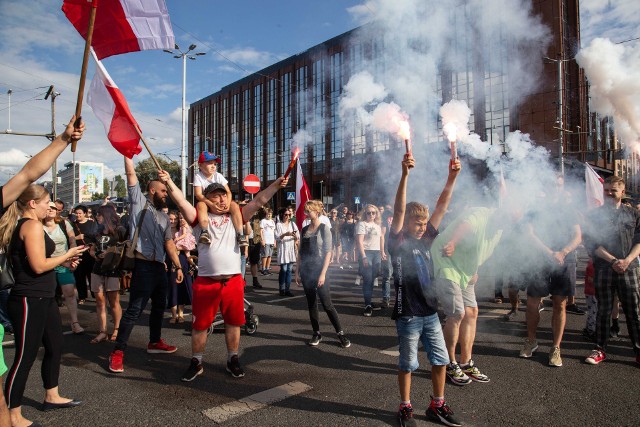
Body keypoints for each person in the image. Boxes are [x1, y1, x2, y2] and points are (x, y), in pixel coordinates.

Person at [157, 170, 288, 382]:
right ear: (207, 200)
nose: (221, 199)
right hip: (207, 281)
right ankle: (196, 361)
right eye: (216, 196)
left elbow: (261, 199)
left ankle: (232, 359)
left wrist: (277, 184)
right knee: (199, 325)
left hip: (233, 281)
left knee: (233, 323)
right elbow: (180, 201)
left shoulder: (236, 215)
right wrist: (169, 181)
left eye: (223, 195)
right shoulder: (199, 218)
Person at [0, 115, 83, 427]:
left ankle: (52, 394)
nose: (53, 205)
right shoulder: (30, 226)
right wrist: (65, 258)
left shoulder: (33, 224)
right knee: (23, 356)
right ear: (32, 205)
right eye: (47, 200)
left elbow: (26, 174)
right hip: (27, 297)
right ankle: (14, 414)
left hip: (44, 296)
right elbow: (36, 266)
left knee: (55, 344)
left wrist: (63, 139)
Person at [389, 155, 462, 427]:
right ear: (406, 223)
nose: (422, 227)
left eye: (424, 223)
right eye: (416, 223)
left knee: (441, 360)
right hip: (407, 314)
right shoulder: (396, 242)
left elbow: (442, 206)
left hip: (430, 313)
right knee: (408, 364)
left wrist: (452, 177)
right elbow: (397, 212)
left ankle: (437, 404)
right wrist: (405, 175)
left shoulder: (427, 239)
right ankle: (406, 407)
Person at [108, 156, 184, 374]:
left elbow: (169, 242)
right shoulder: (139, 204)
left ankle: (154, 342)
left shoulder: (163, 217)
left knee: (159, 308)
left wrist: (178, 266)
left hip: (160, 268)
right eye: (163, 191)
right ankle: (118, 352)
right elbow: (131, 176)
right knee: (134, 310)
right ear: (152, 190)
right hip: (143, 268)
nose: (165, 194)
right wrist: (127, 154)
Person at [432, 205, 520, 386]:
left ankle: (466, 363)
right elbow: (465, 225)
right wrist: (453, 243)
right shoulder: (482, 213)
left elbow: (481, 249)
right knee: (457, 314)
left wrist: (475, 269)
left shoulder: (500, 229)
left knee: (472, 312)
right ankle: (449, 363)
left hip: (465, 268)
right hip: (446, 258)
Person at [583, 176, 640, 366]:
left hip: (629, 268)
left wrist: (628, 260)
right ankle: (599, 349)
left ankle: (638, 350)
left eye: (613, 190)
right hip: (604, 269)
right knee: (603, 311)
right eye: (606, 189)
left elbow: (639, 241)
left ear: (622, 192)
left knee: (633, 312)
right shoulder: (594, 216)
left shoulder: (634, 214)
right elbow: (592, 243)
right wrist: (614, 260)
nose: (608, 193)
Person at [518, 197, 582, 367]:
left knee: (559, 304)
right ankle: (531, 341)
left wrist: (563, 252)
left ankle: (555, 347)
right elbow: (529, 233)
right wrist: (549, 253)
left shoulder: (569, 210)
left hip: (564, 261)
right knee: (532, 303)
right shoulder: (535, 209)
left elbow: (577, 236)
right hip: (539, 260)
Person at [295, 200, 351, 348]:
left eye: (308, 211)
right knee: (311, 303)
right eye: (305, 211)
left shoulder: (324, 228)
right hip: (306, 270)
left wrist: (323, 274)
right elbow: (300, 252)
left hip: (320, 269)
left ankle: (340, 333)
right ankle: (316, 333)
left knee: (327, 304)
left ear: (317, 211)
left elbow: (328, 252)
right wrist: (296, 271)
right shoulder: (304, 229)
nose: (306, 213)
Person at [43, 201, 84, 334]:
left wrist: (72, 256)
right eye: (48, 208)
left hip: (64, 263)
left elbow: (72, 240)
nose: (50, 210)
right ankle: (46, 325)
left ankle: (75, 323)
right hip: (46, 264)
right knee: (48, 296)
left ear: (57, 211)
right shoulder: (38, 226)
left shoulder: (63, 223)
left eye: (53, 208)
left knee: (70, 293)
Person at [89, 204, 126, 344]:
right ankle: (102, 331)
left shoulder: (119, 231)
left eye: (99, 214)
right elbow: (92, 249)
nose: (97, 217)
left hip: (113, 269)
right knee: (99, 301)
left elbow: (125, 248)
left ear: (106, 215)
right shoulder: (97, 232)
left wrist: (110, 253)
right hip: (97, 268)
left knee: (114, 301)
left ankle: (117, 329)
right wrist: (95, 255)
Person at [193, 152, 246, 247]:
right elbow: (198, 194)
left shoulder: (218, 175)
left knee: (234, 205)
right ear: (200, 165)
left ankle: (240, 233)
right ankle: (204, 231)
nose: (213, 166)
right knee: (200, 205)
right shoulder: (198, 176)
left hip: (221, 203)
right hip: (208, 204)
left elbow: (228, 192)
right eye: (209, 163)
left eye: (214, 164)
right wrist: (210, 204)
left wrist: (228, 204)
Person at [356, 204, 386, 316]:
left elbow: (381, 239)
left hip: (377, 253)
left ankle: (368, 300)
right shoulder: (362, 224)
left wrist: (382, 252)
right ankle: (367, 305)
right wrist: (363, 256)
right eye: (369, 213)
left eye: (373, 212)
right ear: (365, 213)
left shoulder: (378, 225)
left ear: (376, 214)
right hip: (367, 252)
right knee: (368, 279)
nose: (371, 215)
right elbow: (359, 241)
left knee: (374, 277)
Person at [168, 212, 194, 324]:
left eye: (175, 219)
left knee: (183, 287)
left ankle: (181, 314)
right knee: (172, 287)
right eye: (170, 219)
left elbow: (187, 246)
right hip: (170, 261)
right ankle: (174, 315)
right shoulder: (166, 231)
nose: (173, 221)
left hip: (183, 260)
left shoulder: (182, 230)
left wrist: (190, 261)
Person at [72, 204, 97, 304]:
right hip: (78, 253)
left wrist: (91, 245)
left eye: (80, 213)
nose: (78, 215)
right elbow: (69, 236)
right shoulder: (72, 224)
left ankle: (95, 295)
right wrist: (77, 237)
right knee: (79, 275)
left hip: (90, 253)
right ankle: (82, 296)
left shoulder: (92, 224)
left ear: (85, 213)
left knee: (92, 275)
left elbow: (96, 237)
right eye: (76, 213)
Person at [275, 207, 298, 297]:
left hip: (290, 249)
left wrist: (295, 236)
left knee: (289, 270)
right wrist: (285, 234)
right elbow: (277, 238)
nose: (288, 216)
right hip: (283, 249)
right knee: (283, 269)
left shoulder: (292, 224)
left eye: (289, 214)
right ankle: (282, 289)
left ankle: (287, 289)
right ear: (281, 215)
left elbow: (297, 237)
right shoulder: (279, 225)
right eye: (286, 214)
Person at [247, 209, 266, 289]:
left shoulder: (257, 216)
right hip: (246, 240)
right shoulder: (245, 215)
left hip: (256, 239)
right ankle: (242, 280)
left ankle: (255, 280)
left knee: (254, 262)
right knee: (243, 261)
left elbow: (264, 212)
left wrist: (260, 206)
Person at [260, 208, 276, 275]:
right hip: (266, 240)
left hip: (271, 240)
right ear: (266, 214)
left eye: (270, 214)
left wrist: (275, 241)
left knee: (269, 256)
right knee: (265, 255)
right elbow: (261, 231)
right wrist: (262, 239)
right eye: (268, 214)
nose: (269, 215)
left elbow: (274, 232)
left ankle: (267, 268)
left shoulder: (272, 222)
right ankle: (263, 269)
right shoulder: (263, 221)